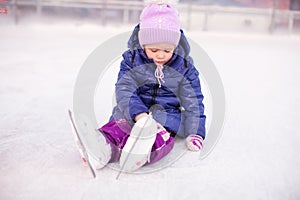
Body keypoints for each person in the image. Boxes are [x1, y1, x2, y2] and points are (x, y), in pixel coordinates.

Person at [97, 1, 206, 171]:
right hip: (131, 113)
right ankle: (104, 146)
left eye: (168, 50)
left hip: (165, 119)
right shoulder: (131, 61)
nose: (161, 55)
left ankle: (143, 153)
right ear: (143, 45)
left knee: (161, 138)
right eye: (154, 50)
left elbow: (193, 100)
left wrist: (195, 132)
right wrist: (138, 114)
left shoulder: (184, 67)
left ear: (175, 46)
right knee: (119, 127)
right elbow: (124, 89)